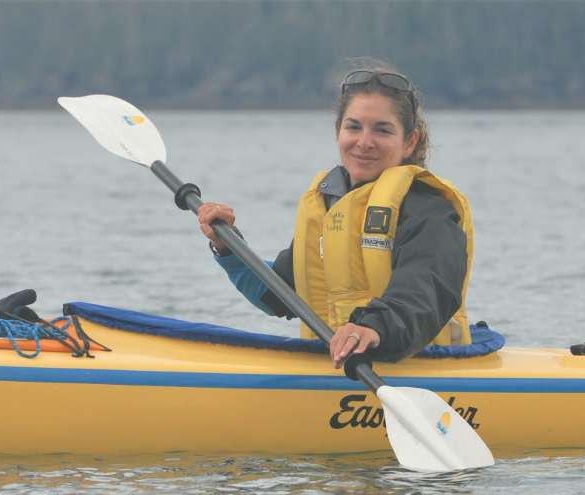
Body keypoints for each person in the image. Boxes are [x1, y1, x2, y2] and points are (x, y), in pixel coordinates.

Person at [197, 62, 474, 369]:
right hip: (342, 364)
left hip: (422, 366)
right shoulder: (331, 206)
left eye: (382, 130)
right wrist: (228, 245)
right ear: (338, 132)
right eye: (353, 127)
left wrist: (372, 329)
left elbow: (425, 292)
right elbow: (276, 295)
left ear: (410, 141)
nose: (364, 142)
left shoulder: (430, 211)